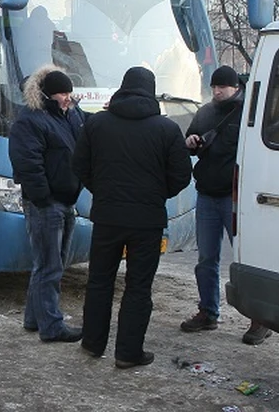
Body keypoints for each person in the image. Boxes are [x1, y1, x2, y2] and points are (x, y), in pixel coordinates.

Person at [72, 66, 192, 369]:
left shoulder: (97, 124)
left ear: (122, 88)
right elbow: (181, 176)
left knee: (99, 281)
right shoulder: (166, 129)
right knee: (138, 287)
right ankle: (128, 353)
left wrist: (101, 189)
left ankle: (92, 343)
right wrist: (155, 194)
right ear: (150, 91)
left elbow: (80, 166)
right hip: (147, 220)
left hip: (107, 216)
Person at [179, 65, 272, 345]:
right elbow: (191, 142)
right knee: (206, 258)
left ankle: (260, 319)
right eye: (214, 87)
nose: (217, 91)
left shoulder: (247, 113)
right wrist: (190, 142)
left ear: (236, 87)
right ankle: (208, 312)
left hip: (236, 198)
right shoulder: (206, 112)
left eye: (222, 87)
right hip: (207, 194)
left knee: (246, 259)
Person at [9, 66, 86, 343]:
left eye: (69, 92)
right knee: (49, 265)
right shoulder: (30, 121)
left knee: (50, 263)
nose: (67, 98)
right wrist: (42, 197)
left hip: (64, 200)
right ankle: (51, 326)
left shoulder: (69, 116)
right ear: (46, 95)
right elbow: (28, 164)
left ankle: (34, 319)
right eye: (61, 94)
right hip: (46, 204)